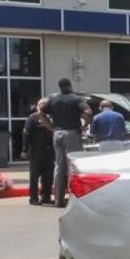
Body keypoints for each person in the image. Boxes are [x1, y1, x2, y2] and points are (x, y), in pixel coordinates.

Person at [41, 78, 92, 208]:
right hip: (71, 133)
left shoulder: (53, 100)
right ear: (70, 85)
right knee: (72, 166)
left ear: (60, 87)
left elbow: (40, 111)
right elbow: (88, 112)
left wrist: (50, 127)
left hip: (57, 133)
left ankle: (58, 200)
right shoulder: (76, 99)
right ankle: (73, 199)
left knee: (59, 166)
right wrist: (85, 126)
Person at [20, 98, 55, 206]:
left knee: (48, 176)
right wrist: (24, 150)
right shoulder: (33, 117)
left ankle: (46, 197)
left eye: (46, 104)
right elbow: (26, 133)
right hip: (36, 150)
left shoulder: (51, 118)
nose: (44, 106)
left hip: (50, 151)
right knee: (34, 176)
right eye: (42, 104)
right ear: (37, 106)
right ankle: (33, 198)